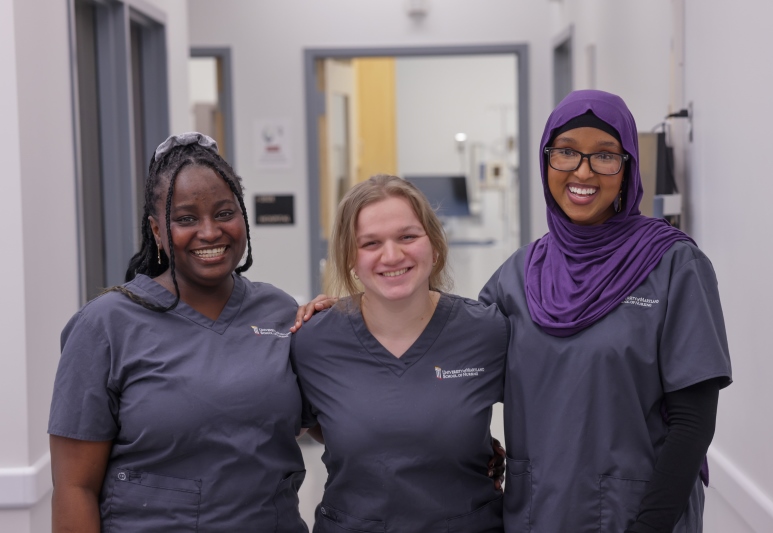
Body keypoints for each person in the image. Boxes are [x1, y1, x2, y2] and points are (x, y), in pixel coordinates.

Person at [480, 90, 732, 532]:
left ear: (628, 167)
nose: (583, 171)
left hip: (637, 517)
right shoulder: (518, 275)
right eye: (566, 152)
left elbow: (693, 422)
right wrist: (344, 313)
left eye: (605, 156)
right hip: (538, 514)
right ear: (546, 160)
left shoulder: (673, 265)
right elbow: (447, 360)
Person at [48, 133, 309, 532]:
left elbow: (342, 420)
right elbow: (73, 488)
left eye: (224, 213)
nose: (209, 232)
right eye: (186, 219)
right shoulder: (105, 326)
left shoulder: (280, 313)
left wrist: (345, 323)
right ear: (156, 231)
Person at [291, 175, 508, 532]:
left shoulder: (487, 332)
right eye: (370, 243)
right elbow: (307, 422)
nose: (392, 255)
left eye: (408, 236)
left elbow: (543, 421)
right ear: (350, 258)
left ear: (434, 245)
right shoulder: (313, 341)